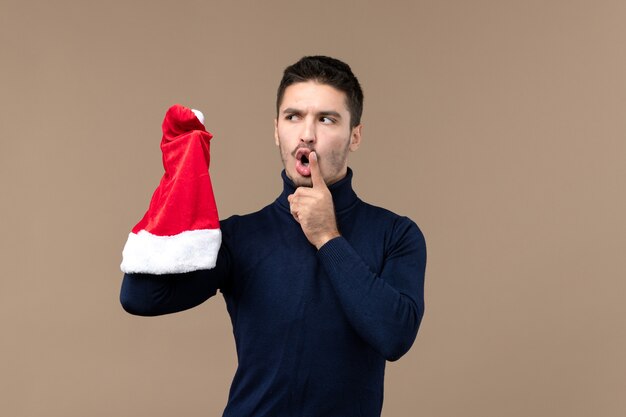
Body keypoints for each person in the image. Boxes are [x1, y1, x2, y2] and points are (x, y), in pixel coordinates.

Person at [120, 55, 427, 417]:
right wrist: (180, 181)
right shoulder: (240, 237)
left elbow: (394, 335)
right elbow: (140, 297)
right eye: (293, 116)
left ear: (355, 135)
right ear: (276, 129)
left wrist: (328, 237)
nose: (307, 134)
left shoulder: (396, 234)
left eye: (326, 119)